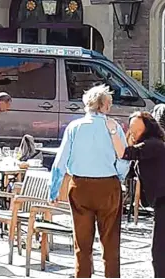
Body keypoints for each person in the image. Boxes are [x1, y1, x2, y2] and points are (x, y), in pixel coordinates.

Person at [49, 84, 130, 278]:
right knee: (110, 241)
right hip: (108, 186)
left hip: (80, 186)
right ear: (104, 105)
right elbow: (124, 158)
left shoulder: (74, 127)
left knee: (82, 243)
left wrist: (53, 190)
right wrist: (118, 178)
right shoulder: (114, 127)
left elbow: (60, 161)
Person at [106, 111, 165, 278]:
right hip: (160, 201)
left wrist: (112, 132)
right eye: (131, 129)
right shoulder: (148, 145)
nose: (132, 132)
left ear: (148, 128)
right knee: (160, 249)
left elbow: (125, 153)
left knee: (159, 251)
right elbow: (129, 171)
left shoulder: (153, 144)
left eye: (136, 129)